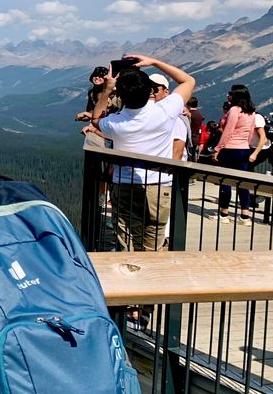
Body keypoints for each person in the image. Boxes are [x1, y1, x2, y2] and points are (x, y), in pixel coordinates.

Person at [90, 55, 195, 252]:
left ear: (120, 96)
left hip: (124, 185)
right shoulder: (166, 111)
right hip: (160, 184)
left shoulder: (115, 124)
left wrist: (106, 90)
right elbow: (188, 80)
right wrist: (154, 62)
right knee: (154, 238)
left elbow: (96, 118)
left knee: (125, 238)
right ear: (150, 91)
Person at [214, 86, 257, 222]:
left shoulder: (234, 110)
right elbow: (250, 132)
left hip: (230, 149)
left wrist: (218, 148)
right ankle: (245, 215)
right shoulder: (251, 112)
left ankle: (224, 214)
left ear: (236, 96)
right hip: (244, 148)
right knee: (242, 183)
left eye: (230, 93)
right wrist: (245, 144)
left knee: (225, 181)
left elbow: (228, 131)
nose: (228, 96)